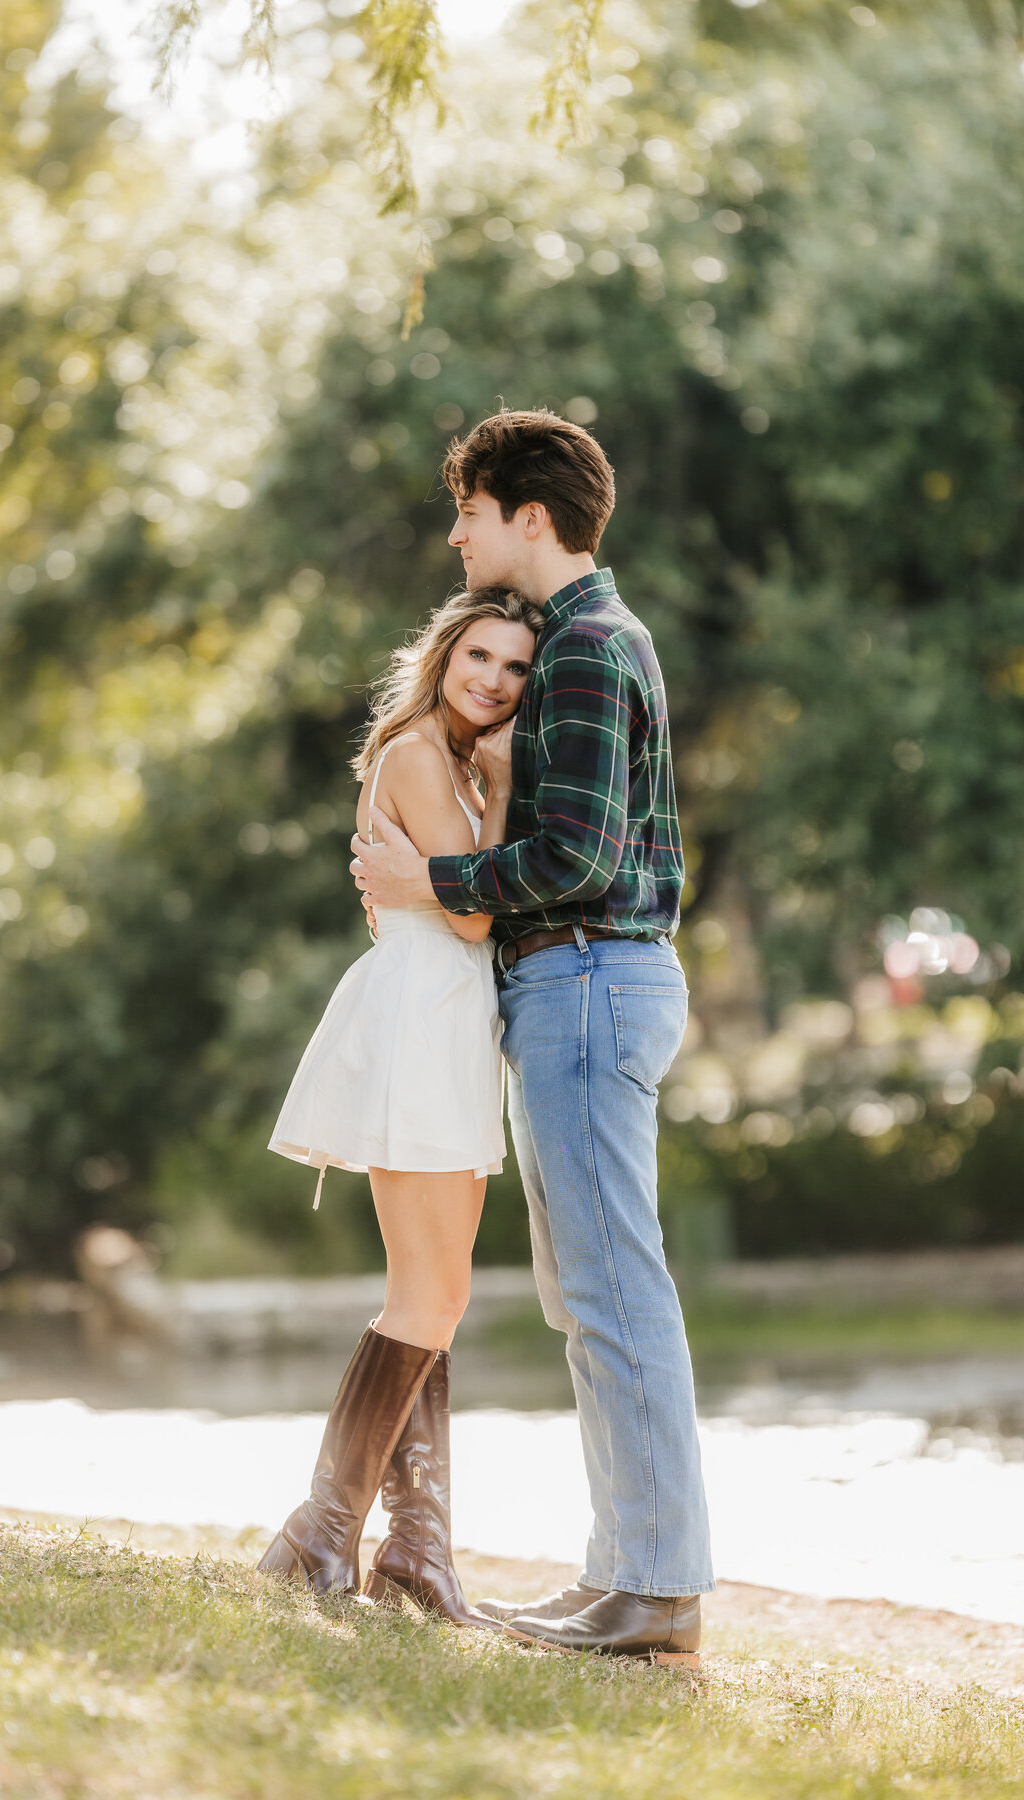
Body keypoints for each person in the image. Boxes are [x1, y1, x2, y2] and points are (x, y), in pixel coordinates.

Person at [351, 409, 713, 1668]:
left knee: (615, 1292)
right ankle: (627, 1572)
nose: (457, 536)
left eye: (470, 512)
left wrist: (434, 884)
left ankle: (657, 1586)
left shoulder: (587, 649)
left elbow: (575, 857)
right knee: (587, 1295)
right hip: (575, 983)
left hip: (590, 976)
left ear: (529, 518)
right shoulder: (577, 644)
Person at [257, 583, 544, 1627]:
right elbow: (471, 916)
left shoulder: (453, 759)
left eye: (516, 668)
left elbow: (455, 895)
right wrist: (504, 798)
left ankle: (417, 1548)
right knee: (426, 1295)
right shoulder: (425, 753)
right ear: (445, 652)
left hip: (451, 1024)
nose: (495, 681)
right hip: (425, 1017)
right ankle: (322, 1533)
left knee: (440, 1295)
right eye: (481, 656)